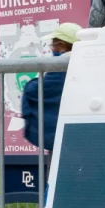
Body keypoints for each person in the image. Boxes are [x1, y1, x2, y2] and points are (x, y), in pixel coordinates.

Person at [20, 22, 79, 153]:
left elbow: (34, 91)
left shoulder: (59, 69)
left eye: (53, 44)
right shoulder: (87, 64)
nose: (52, 48)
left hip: (62, 139)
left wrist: (31, 84)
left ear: (62, 46)